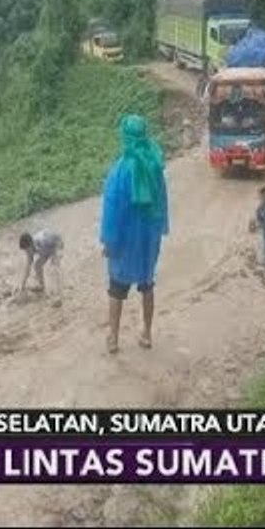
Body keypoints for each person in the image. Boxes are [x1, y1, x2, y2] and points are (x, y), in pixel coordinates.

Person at [100, 114, 169, 354]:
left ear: (125, 137)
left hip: (125, 241)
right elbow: (162, 201)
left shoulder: (120, 170)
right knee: (147, 285)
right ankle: (147, 334)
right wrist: (159, 231)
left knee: (116, 290)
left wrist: (109, 242)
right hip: (148, 239)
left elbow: (112, 210)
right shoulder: (155, 163)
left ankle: (113, 338)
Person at [19, 230, 64, 296]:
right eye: (25, 250)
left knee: (54, 267)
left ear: (31, 244)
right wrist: (22, 285)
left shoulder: (42, 240)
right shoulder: (30, 249)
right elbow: (27, 268)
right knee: (37, 266)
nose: (27, 252)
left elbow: (58, 239)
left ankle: (59, 290)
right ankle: (42, 286)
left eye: (27, 250)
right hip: (45, 251)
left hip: (55, 246)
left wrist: (58, 254)